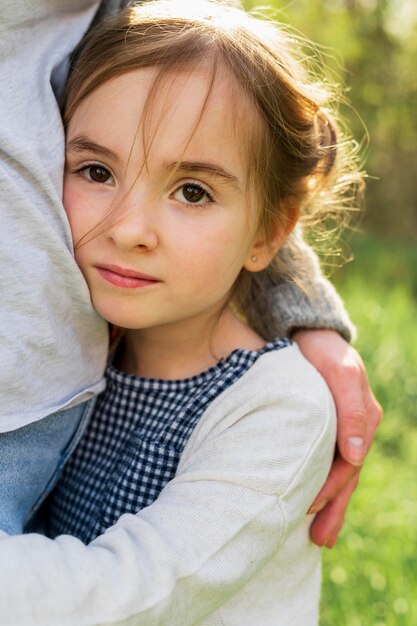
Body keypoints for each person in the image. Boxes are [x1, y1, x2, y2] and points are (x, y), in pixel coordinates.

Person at [0, 2, 381, 623]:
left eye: (193, 192)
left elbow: (133, 594)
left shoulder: (277, 408)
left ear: (270, 232)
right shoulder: (94, 359)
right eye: (96, 170)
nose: (129, 230)